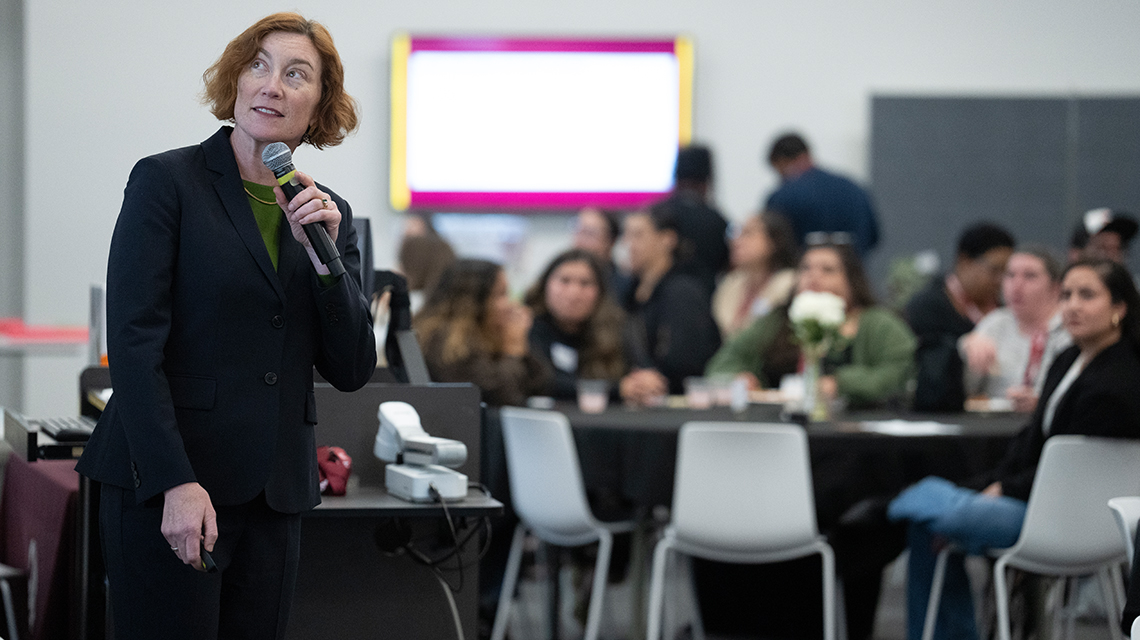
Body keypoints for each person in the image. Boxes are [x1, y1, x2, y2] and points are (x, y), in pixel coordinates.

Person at [74, 13, 376, 640]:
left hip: (275, 492)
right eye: (258, 65)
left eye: (297, 75)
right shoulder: (167, 182)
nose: (272, 85)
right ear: (236, 81)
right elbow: (133, 344)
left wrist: (328, 265)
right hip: (169, 483)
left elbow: (351, 369)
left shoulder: (325, 213)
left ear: (319, 105)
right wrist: (176, 483)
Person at [888, 258, 1140, 640]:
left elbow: (1063, 471)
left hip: (1060, 517)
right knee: (938, 518)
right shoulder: (1070, 359)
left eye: (1087, 295)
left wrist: (1004, 489)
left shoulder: (1118, 384)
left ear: (1119, 308)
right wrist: (996, 485)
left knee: (923, 511)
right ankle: (931, 503)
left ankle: (900, 501)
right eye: (1067, 295)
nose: (1072, 306)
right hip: (1040, 503)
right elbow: (1030, 445)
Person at [706, 237, 916, 409]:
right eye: (805, 269)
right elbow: (724, 361)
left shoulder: (878, 324)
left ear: (852, 280)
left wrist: (840, 384)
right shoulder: (778, 320)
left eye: (828, 270)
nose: (813, 276)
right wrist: (739, 377)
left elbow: (899, 372)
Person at [524, 249, 668, 406]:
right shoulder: (527, 327)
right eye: (564, 281)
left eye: (585, 283)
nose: (574, 293)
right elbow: (545, 383)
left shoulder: (618, 326)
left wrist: (646, 382)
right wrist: (617, 389)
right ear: (545, 284)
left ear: (600, 292)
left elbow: (643, 368)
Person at [907, 222, 1015, 411]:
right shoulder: (925, 307)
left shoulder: (1005, 311)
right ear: (964, 261)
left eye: (1007, 273)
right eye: (995, 270)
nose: (1001, 280)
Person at [413, 258, 548, 407]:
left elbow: (543, 386)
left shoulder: (489, 335)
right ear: (473, 301)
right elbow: (502, 397)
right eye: (501, 294)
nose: (510, 305)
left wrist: (522, 348)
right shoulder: (447, 341)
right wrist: (513, 351)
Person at [622, 200, 722, 394]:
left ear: (667, 239)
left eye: (638, 235)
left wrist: (649, 381)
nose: (629, 245)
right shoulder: (627, 292)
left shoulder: (684, 292)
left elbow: (685, 361)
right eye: (627, 236)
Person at [959, 247, 1070, 412]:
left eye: (1030, 276)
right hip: (995, 425)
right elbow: (969, 392)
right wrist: (967, 350)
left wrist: (1043, 401)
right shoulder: (995, 323)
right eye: (1010, 275)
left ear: (1055, 287)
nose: (1016, 286)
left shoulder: (1070, 327)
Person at [764, 132, 880, 257]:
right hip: (854, 271)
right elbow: (874, 237)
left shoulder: (783, 197)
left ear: (782, 162)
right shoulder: (854, 188)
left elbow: (772, 244)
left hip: (803, 272)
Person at [711, 211, 799, 339]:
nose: (737, 241)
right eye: (737, 234)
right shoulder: (730, 283)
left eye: (748, 233)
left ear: (774, 241)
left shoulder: (790, 284)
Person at [663, 145, 731, 296]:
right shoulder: (717, 220)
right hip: (706, 297)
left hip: (661, 295)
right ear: (706, 181)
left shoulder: (657, 215)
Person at [572, 206, 632, 301]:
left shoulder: (625, 285)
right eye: (578, 231)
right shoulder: (560, 277)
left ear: (611, 241)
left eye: (589, 233)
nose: (580, 240)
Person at [1068, 207, 1139, 265]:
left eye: (1117, 248)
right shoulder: (1060, 282)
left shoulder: (1132, 282)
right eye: (1102, 248)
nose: (1111, 256)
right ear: (1076, 254)